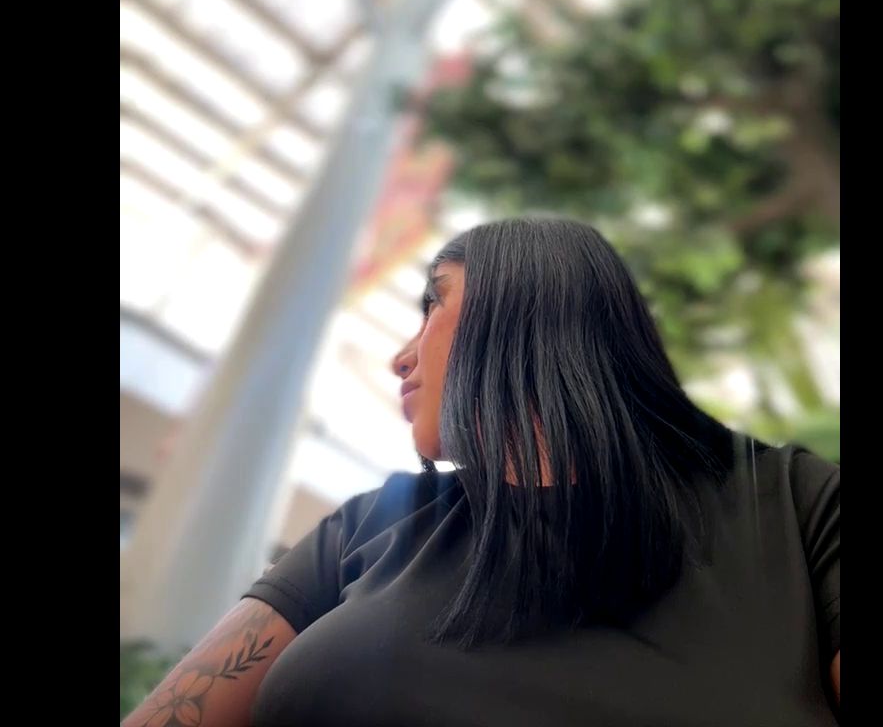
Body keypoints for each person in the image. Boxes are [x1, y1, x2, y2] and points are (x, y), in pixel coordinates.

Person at [123, 217, 840, 727]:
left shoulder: (797, 508)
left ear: (536, 305)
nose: (400, 357)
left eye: (432, 303)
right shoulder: (365, 527)